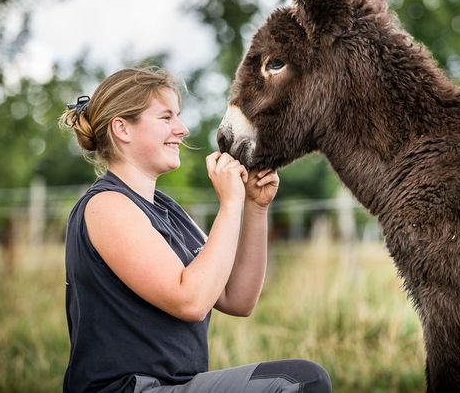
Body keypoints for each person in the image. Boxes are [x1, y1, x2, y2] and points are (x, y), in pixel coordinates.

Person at [59, 66, 331, 393]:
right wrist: (229, 205)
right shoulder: (107, 206)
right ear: (122, 129)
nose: (183, 129)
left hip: (179, 386)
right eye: (166, 117)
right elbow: (191, 300)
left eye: (179, 116)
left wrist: (254, 208)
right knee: (298, 382)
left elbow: (237, 298)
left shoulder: (170, 211)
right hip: (129, 389)